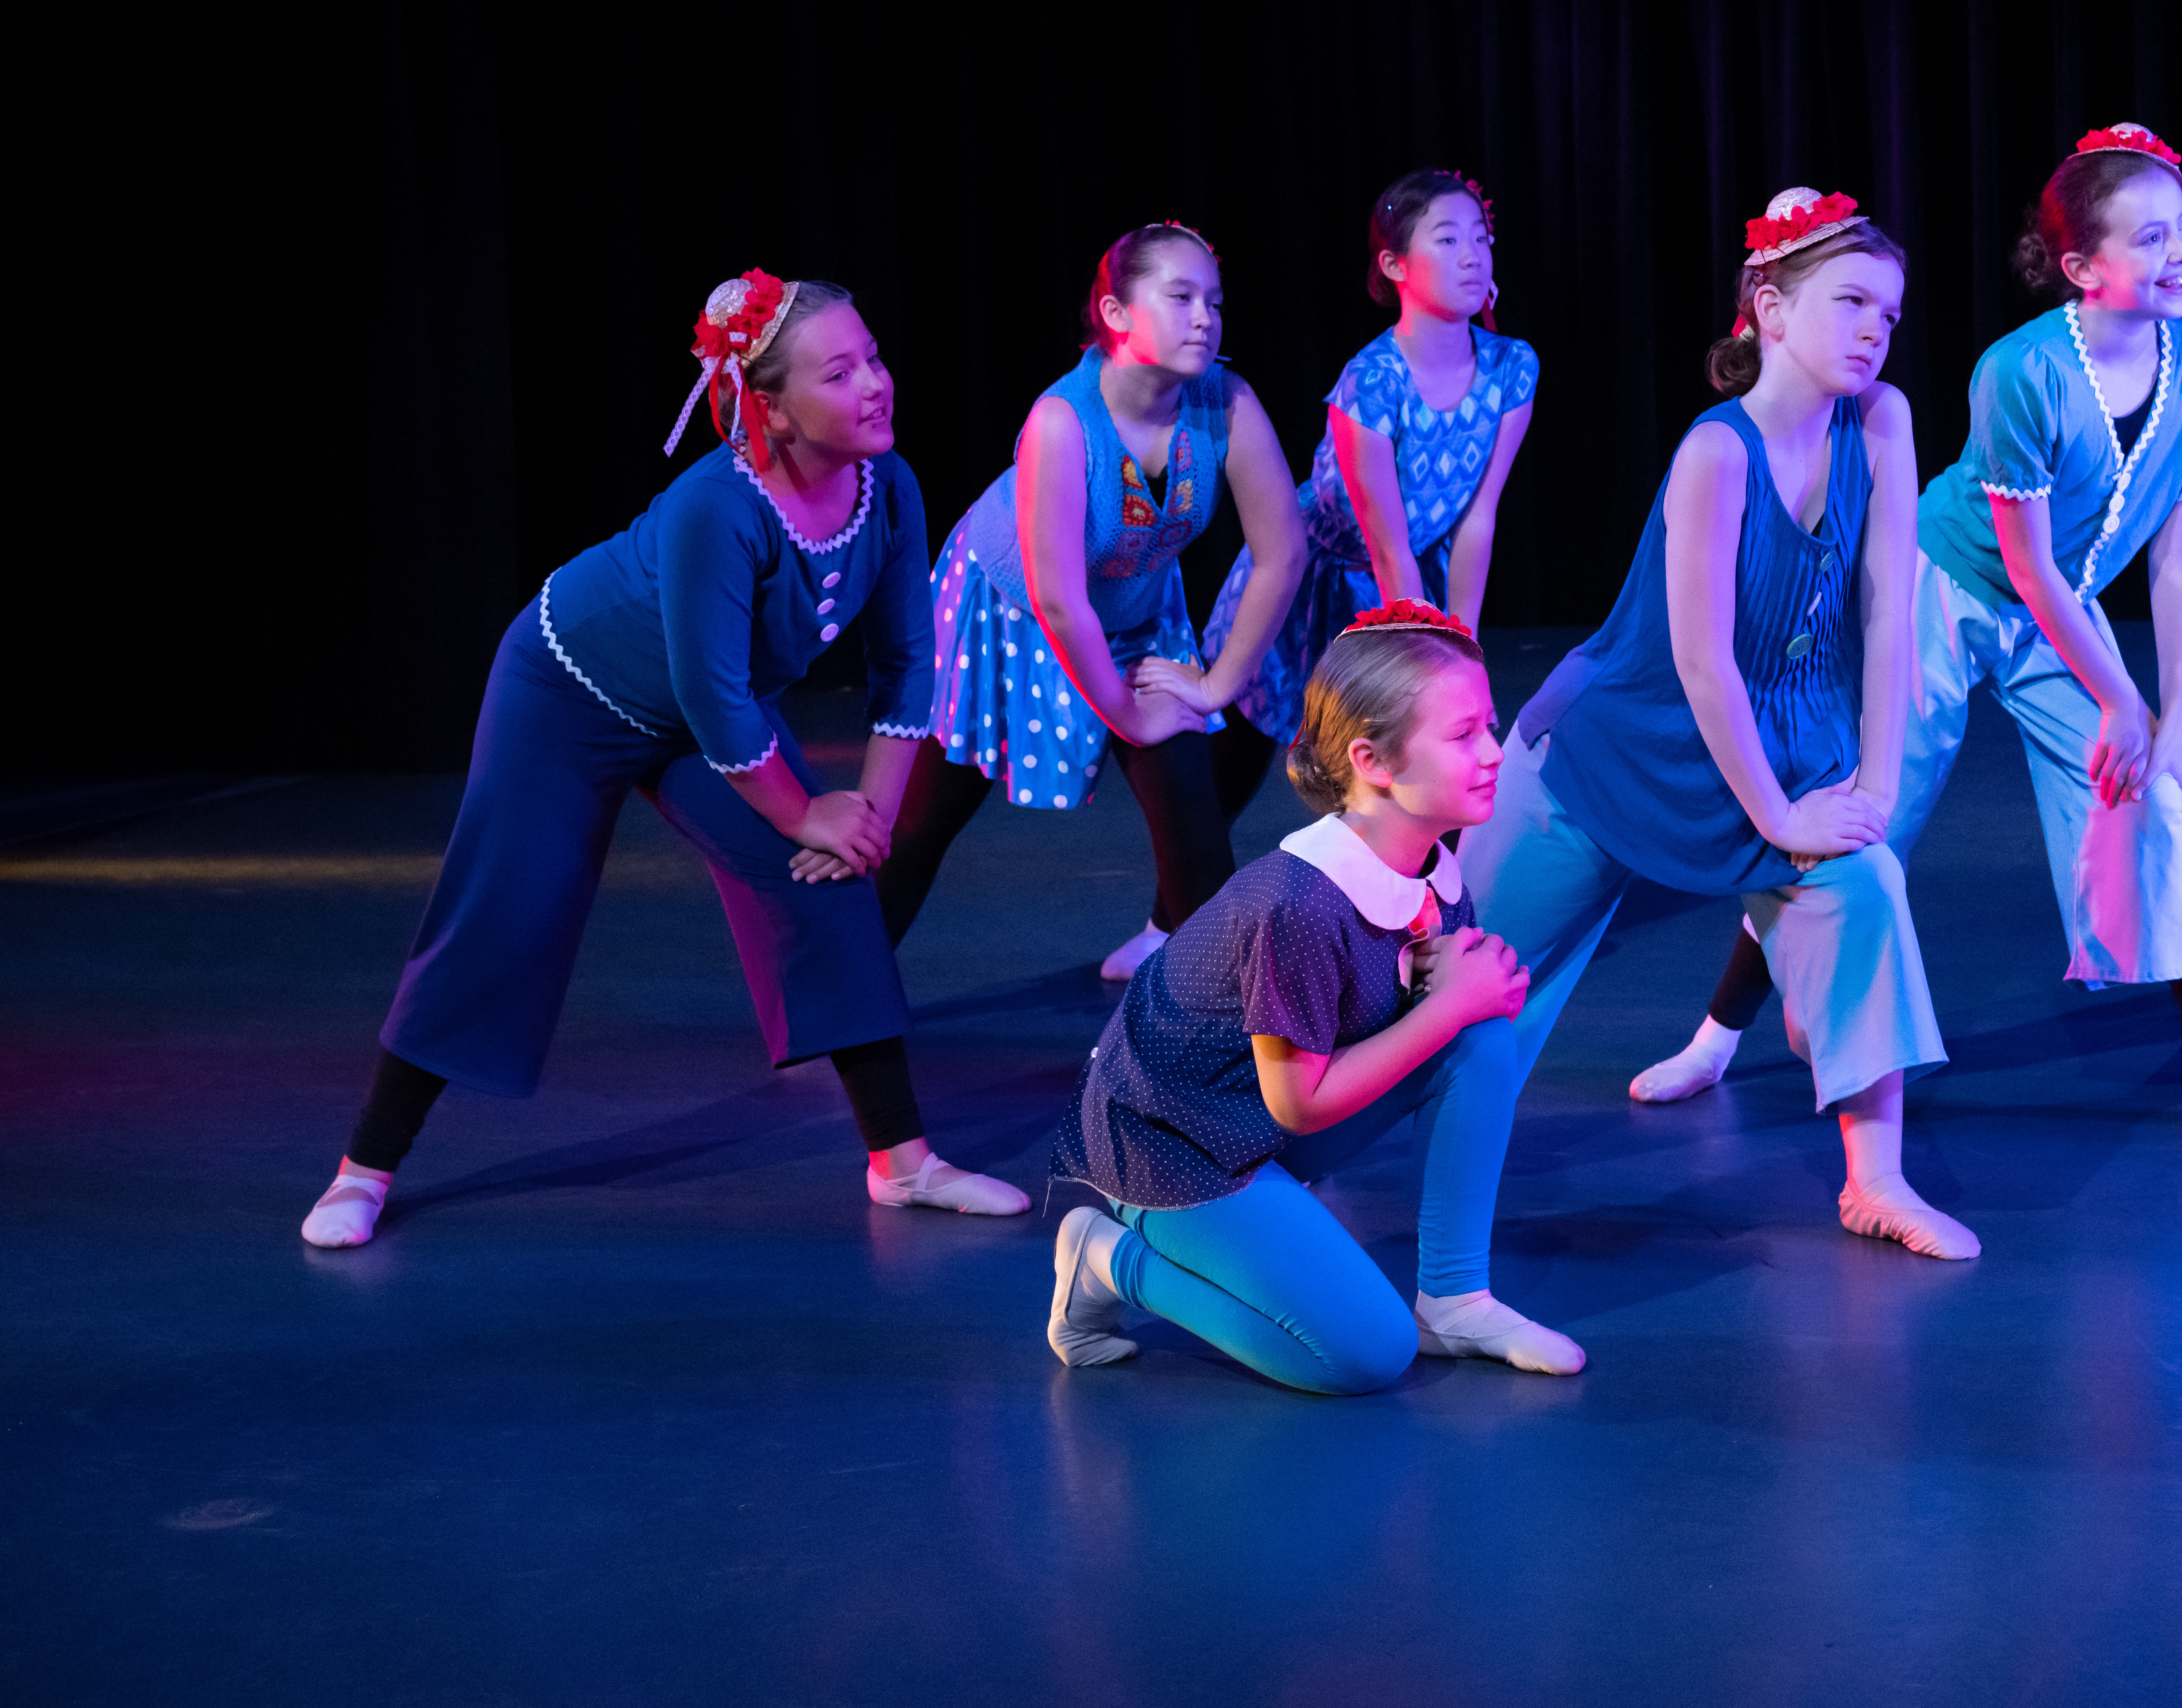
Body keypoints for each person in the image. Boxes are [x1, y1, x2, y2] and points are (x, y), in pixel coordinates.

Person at [300, 272, 1026, 1250]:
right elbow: (719, 702)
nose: (875, 384)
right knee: (508, 906)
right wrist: (805, 810)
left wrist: (867, 815)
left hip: (700, 709)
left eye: (876, 359)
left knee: (826, 884)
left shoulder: (887, 487)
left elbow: (905, 663)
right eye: (841, 370)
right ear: (770, 404)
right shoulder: (715, 509)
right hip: (569, 692)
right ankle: (364, 1167)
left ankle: (904, 1163)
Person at [1640, 126, 2182, 1143]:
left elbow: (2179, 556)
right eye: (2150, 237)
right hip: (1945, 586)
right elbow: (2025, 562)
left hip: (2064, 607)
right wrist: (2121, 699)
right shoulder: (2022, 370)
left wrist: (2170, 722)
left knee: (2153, 800)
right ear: (2082, 268)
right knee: (1860, 819)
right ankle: (1716, 1035)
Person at [1461, 188, 1977, 1260]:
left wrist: (1873, 789)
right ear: (1771, 310)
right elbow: (1699, 666)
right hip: (1611, 752)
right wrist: (1784, 819)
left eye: (1890, 310)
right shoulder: (1718, 452)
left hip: (1783, 745)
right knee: (1459, 982)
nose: (1878, 329)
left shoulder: (1881, 420)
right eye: (1851, 302)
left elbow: (1888, 610)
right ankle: (1263, 1138)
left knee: (1864, 886)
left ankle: (1873, 1181)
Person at [1045, 603, 1582, 1392]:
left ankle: (1456, 1299)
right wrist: (1447, 1004)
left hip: (1257, 1113)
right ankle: (1107, 1259)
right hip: (1175, 1143)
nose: (1494, 753)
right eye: (1464, 734)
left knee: (1481, 1038)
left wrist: (1457, 991)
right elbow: (1299, 1104)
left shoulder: (1434, 868)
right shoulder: (1298, 904)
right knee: (1364, 1354)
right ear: (1373, 761)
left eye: (1490, 727)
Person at [867, 223, 1308, 978]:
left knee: (1195, 837)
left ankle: (1209, 1049)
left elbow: (1283, 551)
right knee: (925, 823)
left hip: (1139, 613)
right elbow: (1059, 602)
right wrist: (1130, 715)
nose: (1205, 316)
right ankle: (841, 996)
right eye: (1179, 297)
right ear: (1115, 314)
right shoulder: (1062, 422)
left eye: (1213, 300)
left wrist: (1215, 687)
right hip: (1009, 619)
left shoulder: (1224, 402)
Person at [1200, 168, 1539, 748]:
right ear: (1394, 265)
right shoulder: (1373, 381)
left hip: (1411, 576)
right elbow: (1388, 548)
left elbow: (1476, 521)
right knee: (1245, 751)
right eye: (1448, 239)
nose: (1472, 256)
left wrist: (1467, 657)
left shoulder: (1513, 367)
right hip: (1313, 577)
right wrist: (1433, 660)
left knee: (1412, 755)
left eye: (1480, 238)